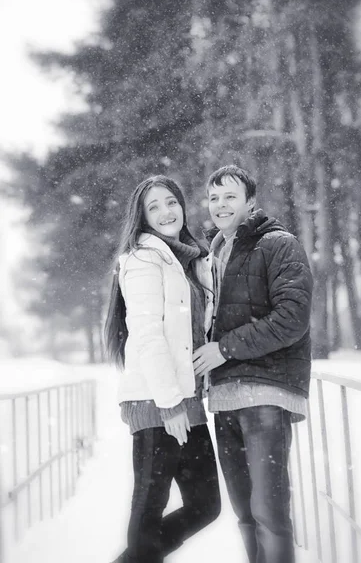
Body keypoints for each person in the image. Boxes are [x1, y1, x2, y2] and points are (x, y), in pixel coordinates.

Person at [193, 165, 313, 563]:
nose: (221, 205)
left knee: (269, 512)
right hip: (224, 398)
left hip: (265, 394)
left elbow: (291, 319)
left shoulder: (278, 244)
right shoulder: (212, 254)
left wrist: (224, 349)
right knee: (245, 514)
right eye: (214, 198)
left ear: (250, 203)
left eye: (230, 196)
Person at [104, 175, 221, 563]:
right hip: (156, 398)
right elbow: (148, 334)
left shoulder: (186, 258)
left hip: (185, 395)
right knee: (149, 507)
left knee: (205, 506)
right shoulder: (143, 258)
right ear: (143, 218)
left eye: (170, 202)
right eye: (154, 207)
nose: (166, 212)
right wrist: (169, 403)